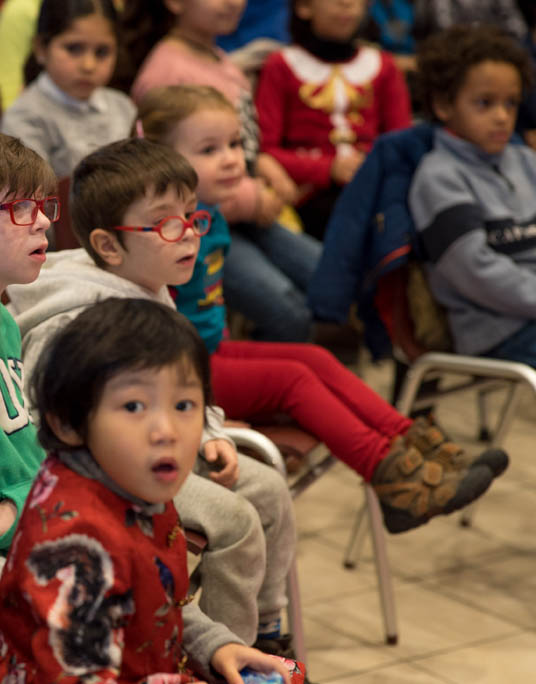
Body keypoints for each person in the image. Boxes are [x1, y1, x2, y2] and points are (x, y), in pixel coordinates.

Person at [0, 124, 282, 683]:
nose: (45, 221)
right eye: (17, 210)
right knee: (94, 603)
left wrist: (211, 641)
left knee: (127, 559)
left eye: (41, 206)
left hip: (27, 523)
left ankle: (218, 653)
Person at [130, 86, 506, 534]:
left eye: (234, 144)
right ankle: (392, 479)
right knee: (293, 380)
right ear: (161, 159)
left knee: (316, 357)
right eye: (209, 150)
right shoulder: (160, 234)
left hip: (208, 351)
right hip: (177, 375)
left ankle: (416, 447)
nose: (231, 159)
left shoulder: (209, 215)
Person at [7, 137, 300, 659]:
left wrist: (208, 434)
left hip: (161, 450)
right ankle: (223, 654)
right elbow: (43, 422)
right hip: (99, 474)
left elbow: (183, 388)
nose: (187, 234)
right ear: (109, 246)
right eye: (165, 223)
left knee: (269, 488)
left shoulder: (150, 283)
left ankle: (267, 629)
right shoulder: (70, 321)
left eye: (191, 216)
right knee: (235, 522)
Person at [0, 298, 297, 684]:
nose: (167, 431)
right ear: (67, 424)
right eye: (133, 407)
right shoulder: (76, 546)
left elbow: (156, 599)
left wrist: (215, 645)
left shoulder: (133, 486)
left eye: (184, 405)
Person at [123, 0, 322, 343]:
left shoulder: (220, 59)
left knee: (326, 272)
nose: (233, 3)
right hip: (205, 217)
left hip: (235, 213)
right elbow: (165, 171)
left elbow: (241, 137)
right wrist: (252, 199)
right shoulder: (165, 73)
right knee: (287, 309)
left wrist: (265, 164)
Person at [408, 25, 536, 366]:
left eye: (511, 103)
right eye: (484, 103)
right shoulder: (439, 177)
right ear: (443, 105)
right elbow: (473, 270)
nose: (502, 117)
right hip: (497, 328)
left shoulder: (526, 161)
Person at [255, 0, 412, 240]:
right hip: (309, 195)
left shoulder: (385, 66)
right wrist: (328, 168)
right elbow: (266, 150)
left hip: (376, 185)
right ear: (304, 7)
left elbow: (401, 143)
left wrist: (370, 165)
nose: (347, 4)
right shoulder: (281, 65)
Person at [0, 0, 136, 180]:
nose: (88, 65)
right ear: (41, 48)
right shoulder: (24, 118)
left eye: (102, 52)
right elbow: (32, 192)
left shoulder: (124, 107)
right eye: (74, 49)